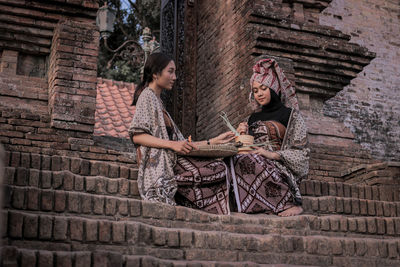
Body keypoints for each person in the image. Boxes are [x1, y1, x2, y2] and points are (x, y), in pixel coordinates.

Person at [128, 52, 235, 215]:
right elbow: (137, 136)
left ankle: (182, 194)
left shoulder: (158, 102)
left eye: (174, 72)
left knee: (219, 167)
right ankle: (172, 188)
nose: (175, 77)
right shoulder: (146, 97)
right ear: (156, 74)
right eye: (170, 71)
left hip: (173, 159)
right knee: (217, 168)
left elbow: (182, 143)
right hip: (159, 164)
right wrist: (172, 145)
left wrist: (214, 141)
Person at [230, 58, 309, 217]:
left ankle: (287, 201)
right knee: (232, 161)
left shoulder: (290, 115)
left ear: (274, 88)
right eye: (255, 90)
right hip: (251, 161)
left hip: (277, 166)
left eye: (263, 88)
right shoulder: (251, 118)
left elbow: (302, 154)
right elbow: (242, 147)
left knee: (252, 161)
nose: (259, 94)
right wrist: (240, 135)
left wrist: (272, 154)